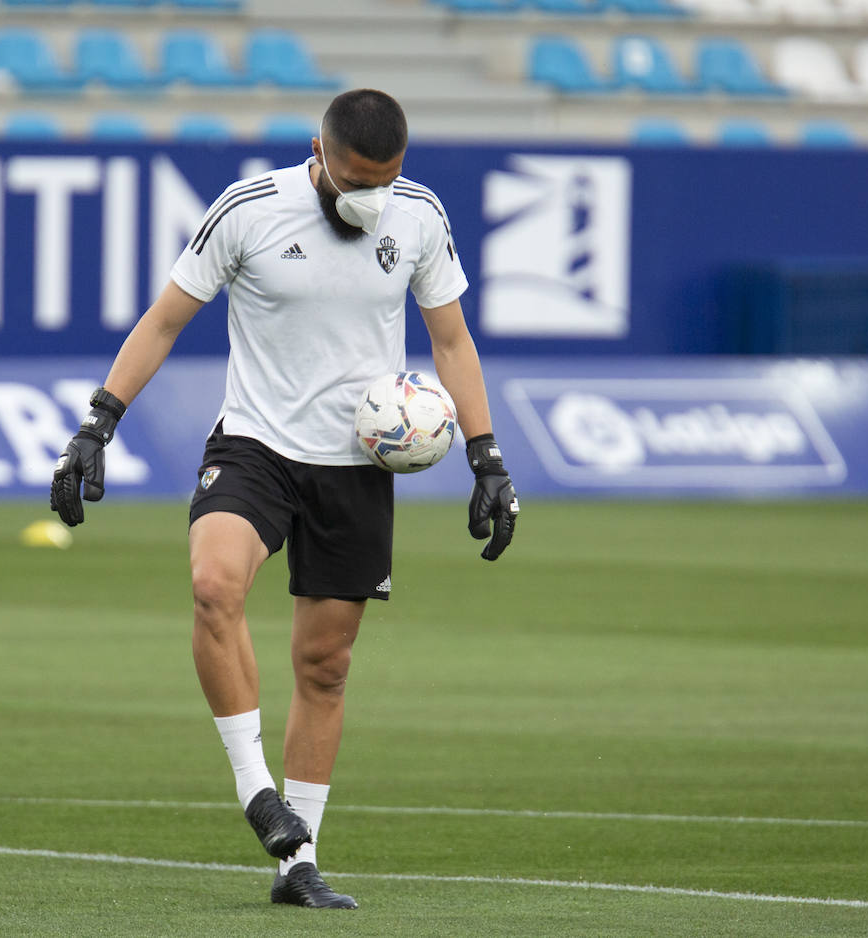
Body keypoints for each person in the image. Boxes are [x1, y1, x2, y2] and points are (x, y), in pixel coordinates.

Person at [50, 88, 519, 910]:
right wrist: (99, 422)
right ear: (319, 153)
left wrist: (488, 458)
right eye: (354, 179)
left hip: (358, 462)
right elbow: (164, 321)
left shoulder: (418, 216)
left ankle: (296, 864)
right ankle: (256, 791)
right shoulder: (249, 209)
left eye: (386, 178)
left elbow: (451, 338)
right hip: (256, 445)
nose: (370, 195)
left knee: (325, 666)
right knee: (212, 587)